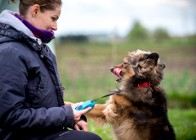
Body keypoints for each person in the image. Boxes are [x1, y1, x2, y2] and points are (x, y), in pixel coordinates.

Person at [0, 0, 102, 140]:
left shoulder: (42, 50)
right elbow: (10, 116)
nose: (55, 27)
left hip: (44, 132)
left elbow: (44, 104)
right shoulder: (9, 53)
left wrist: (72, 118)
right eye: (53, 18)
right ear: (35, 11)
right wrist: (66, 114)